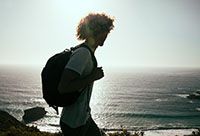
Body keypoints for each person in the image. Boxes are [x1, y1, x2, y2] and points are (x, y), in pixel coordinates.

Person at [58, 13, 114, 136]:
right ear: (97, 31)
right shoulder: (83, 54)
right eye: (106, 31)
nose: (107, 35)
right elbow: (63, 87)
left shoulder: (88, 52)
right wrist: (92, 77)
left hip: (84, 117)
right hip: (73, 123)